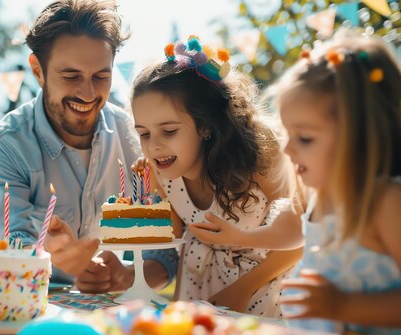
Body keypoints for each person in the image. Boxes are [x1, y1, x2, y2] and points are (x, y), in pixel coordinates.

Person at [189, 33, 401, 335]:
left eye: (305, 138)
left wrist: (344, 306)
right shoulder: (324, 194)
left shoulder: (386, 202)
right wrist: (240, 236)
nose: (289, 150)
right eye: (288, 134)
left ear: (359, 137)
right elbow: (295, 230)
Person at [0, 0, 178, 288]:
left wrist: (125, 276)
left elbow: (165, 249)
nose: (87, 94)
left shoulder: (135, 135)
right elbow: (4, 245)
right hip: (32, 308)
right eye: (71, 76)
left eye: (101, 77)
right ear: (38, 70)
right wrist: (47, 254)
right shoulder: (6, 145)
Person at [129, 35, 303, 316]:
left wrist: (240, 291)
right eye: (144, 134)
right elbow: (170, 240)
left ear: (205, 126)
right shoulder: (161, 170)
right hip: (196, 287)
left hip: (261, 289)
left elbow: (299, 239)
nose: (154, 146)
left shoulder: (262, 154)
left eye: (169, 131)